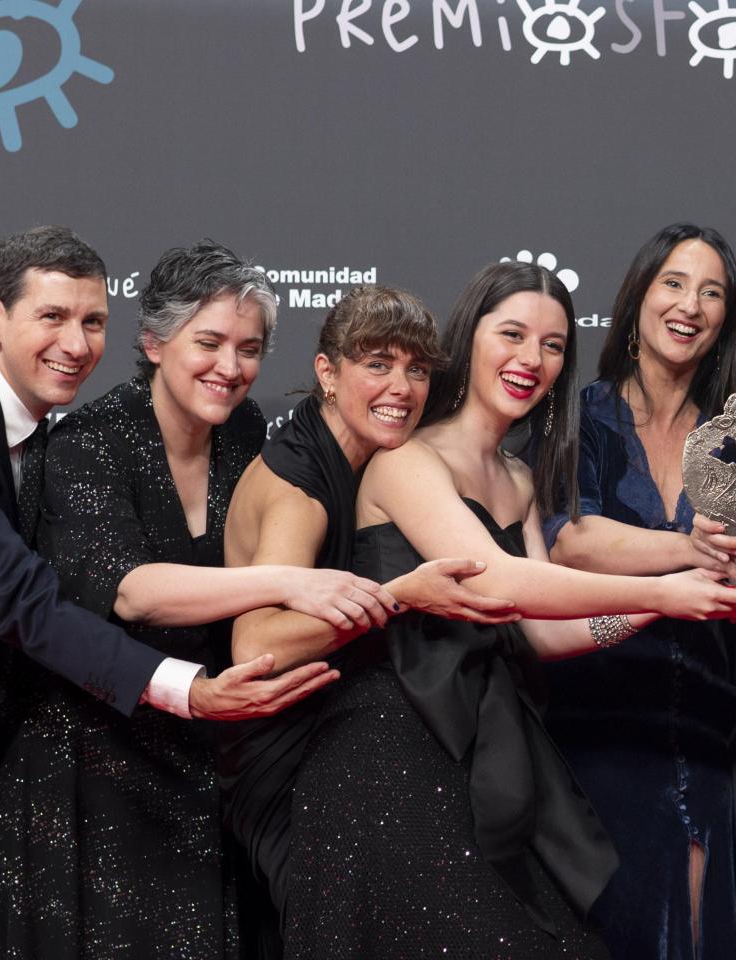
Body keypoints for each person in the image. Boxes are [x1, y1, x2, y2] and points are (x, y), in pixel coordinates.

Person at [0, 226, 336, 959]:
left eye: (92, 320)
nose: (77, 342)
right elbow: (28, 606)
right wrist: (190, 689)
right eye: (53, 317)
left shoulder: (13, 421)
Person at [278, 261, 736, 959]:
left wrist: (675, 603)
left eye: (552, 345)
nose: (530, 360)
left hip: (487, 754)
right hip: (394, 750)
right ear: (468, 341)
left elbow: (540, 630)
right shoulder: (407, 460)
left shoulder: (517, 476)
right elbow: (499, 583)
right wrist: (663, 587)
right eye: (511, 334)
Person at [217, 284, 517, 943]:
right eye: (377, 364)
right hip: (285, 765)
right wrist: (401, 596)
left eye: (415, 369)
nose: (402, 387)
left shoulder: (367, 459)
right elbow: (256, 644)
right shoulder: (301, 491)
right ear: (327, 373)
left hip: (342, 746)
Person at [542, 223, 736, 959]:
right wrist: (691, 551)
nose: (689, 304)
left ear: (726, 317)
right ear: (637, 298)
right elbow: (572, 540)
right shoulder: (584, 411)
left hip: (707, 722)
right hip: (600, 721)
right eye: (673, 282)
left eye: (711, 291)